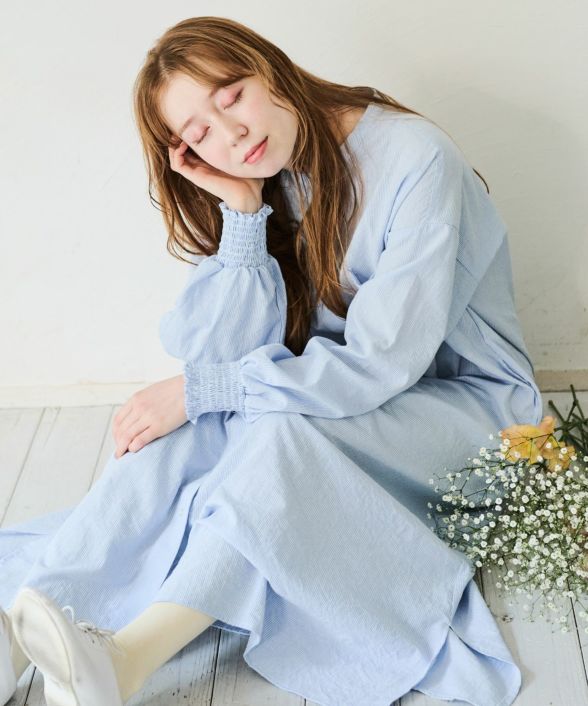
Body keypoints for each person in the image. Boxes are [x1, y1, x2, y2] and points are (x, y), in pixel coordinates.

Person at [0, 15, 543, 706]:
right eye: (199, 133)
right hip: (350, 404)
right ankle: (22, 632)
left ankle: (128, 662)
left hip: (475, 417)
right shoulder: (264, 175)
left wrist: (203, 390)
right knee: (189, 431)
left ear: (269, 68)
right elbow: (226, 352)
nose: (230, 134)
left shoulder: (415, 156)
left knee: (273, 431)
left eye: (231, 96)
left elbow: (381, 362)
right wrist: (243, 213)